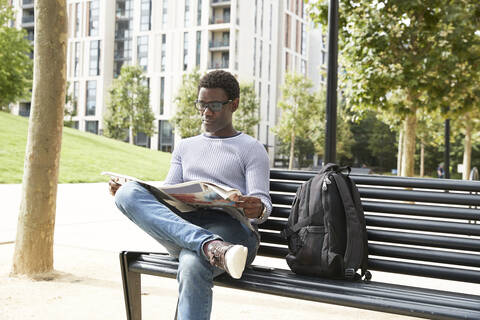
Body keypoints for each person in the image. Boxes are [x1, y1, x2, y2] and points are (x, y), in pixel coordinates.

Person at [109, 70, 272, 320]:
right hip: (187, 228)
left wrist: (257, 208)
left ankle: (209, 246)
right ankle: (209, 245)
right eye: (202, 104)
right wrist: (134, 192)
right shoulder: (185, 146)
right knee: (127, 193)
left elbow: (263, 206)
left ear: (234, 105)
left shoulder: (250, 148)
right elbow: (168, 194)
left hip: (234, 233)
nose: (206, 112)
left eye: (215, 105)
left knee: (192, 264)